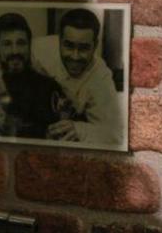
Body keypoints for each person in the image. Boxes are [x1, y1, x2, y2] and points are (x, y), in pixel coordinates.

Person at [30, 8, 122, 146]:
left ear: (95, 46)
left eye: (84, 48)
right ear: (59, 40)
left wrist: (81, 130)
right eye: (68, 46)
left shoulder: (101, 77)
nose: (75, 56)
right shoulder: (37, 50)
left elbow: (115, 135)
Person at [0, 13, 65, 139]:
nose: (15, 51)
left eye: (21, 43)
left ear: (29, 45)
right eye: (7, 44)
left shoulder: (49, 87)